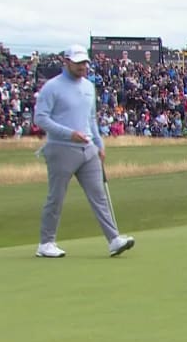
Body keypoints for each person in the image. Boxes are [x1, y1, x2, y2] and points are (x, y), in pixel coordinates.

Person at [33, 44, 135, 258]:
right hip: (60, 148)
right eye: (78, 63)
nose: (83, 66)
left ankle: (113, 239)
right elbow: (41, 118)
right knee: (56, 197)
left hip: (88, 148)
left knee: (99, 195)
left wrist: (99, 144)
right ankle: (46, 243)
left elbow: (91, 120)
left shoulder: (89, 86)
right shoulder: (52, 87)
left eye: (85, 62)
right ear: (67, 62)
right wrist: (69, 133)